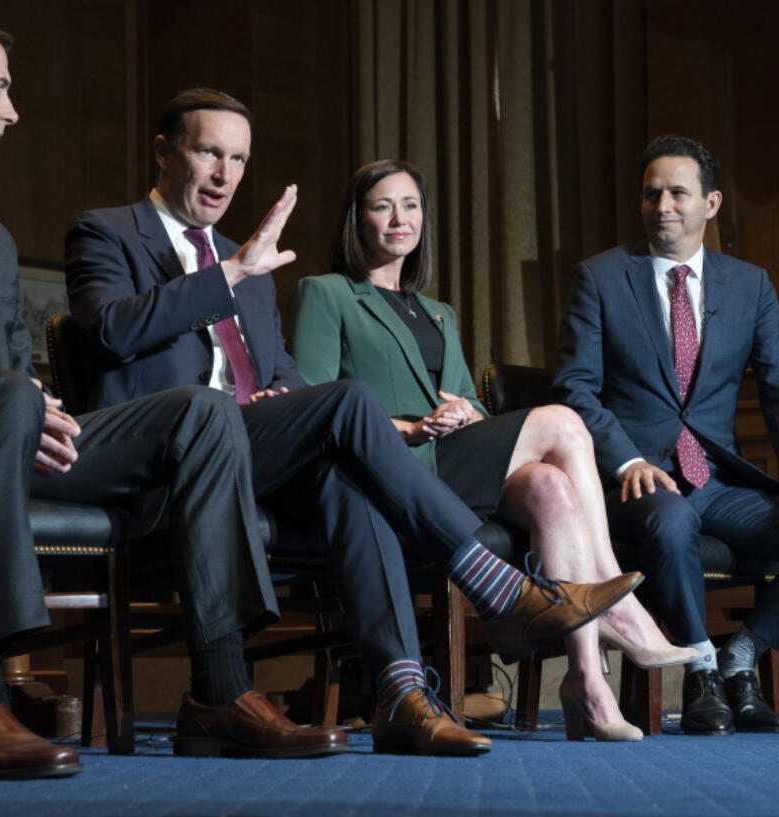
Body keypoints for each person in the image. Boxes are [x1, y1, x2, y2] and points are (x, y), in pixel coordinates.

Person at [0, 11, 350, 779]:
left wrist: (30, 404)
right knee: (2, 397)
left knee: (202, 412)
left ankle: (221, 690)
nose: (13, 109)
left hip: (0, 431)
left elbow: (15, 369)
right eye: (0, 87)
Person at [65, 87, 640, 755]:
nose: (225, 174)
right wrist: (229, 274)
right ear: (164, 153)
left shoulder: (248, 260)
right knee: (348, 401)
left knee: (347, 469)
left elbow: (282, 371)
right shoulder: (108, 231)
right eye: (208, 153)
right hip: (170, 455)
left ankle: (400, 694)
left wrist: (276, 392)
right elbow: (108, 330)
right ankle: (496, 584)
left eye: (240, 159)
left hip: (254, 451)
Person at [288, 159, 697, 742]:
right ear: (357, 219)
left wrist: (463, 413)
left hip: (450, 459)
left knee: (552, 488)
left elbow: (469, 407)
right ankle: (615, 601)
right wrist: (408, 426)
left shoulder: (437, 312)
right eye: (383, 206)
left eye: (411, 205)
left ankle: (587, 682)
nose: (400, 218)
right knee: (561, 421)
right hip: (391, 468)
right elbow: (313, 405)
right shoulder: (325, 293)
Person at [554, 134, 779, 736]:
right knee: (671, 521)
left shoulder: (751, 285)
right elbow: (575, 388)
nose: (663, 204)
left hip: (716, 480)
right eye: (651, 193)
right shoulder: (602, 277)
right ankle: (700, 671)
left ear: (710, 204)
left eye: (678, 192)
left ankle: (740, 658)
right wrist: (625, 460)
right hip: (639, 480)